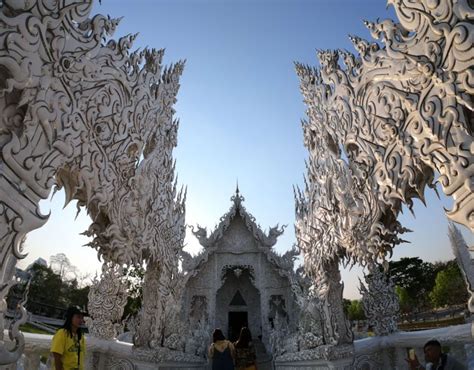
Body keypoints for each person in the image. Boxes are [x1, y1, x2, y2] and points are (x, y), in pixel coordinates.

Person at [50, 306, 86, 370]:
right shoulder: (62, 333)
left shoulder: (81, 336)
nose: (81, 320)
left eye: (82, 317)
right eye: (78, 317)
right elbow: (57, 356)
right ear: (70, 317)